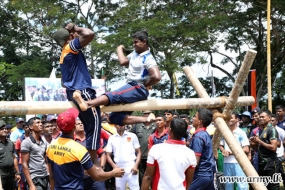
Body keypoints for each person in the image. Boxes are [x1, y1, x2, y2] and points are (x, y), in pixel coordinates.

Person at [73, 30, 160, 127]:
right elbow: (123, 62)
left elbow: (156, 77)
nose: (133, 44)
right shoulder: (135, 54)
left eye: (136, 42)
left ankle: (88, 104)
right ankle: (146, 119)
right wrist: (119, 49)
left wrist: (146, 84)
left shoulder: (148, 58)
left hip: (137, 88)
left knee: (115, 94)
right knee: (114, 118)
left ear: (144, 42)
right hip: (133, 89)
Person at [52, 22, 101, 164]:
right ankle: (94, 161)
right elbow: (90, 34)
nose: (77, 35)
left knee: (88, 126)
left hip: (72, 91)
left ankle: (91, 161)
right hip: (82, 90)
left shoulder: (63, 54)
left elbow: (63, 81)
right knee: (95, 124)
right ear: (70, 37)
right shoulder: (71, 46)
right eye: (74, 34)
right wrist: (75, 28)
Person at [46, 108, 125, 190]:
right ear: (74, 127)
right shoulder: (78, 149)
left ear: (58, 128)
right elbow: (96, 176)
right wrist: (113, 173)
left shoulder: (51, 147)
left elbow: (51, 176)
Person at [141, 118, 196, 190]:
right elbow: (189, 180)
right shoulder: (190, 154)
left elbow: (148, 176)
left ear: (170, 130)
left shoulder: (156, 149)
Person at [250, 110, 280, 190]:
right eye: (260, 117)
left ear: (269, 118)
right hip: (261, 162)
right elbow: (259, 146)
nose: (260, 118)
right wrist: (253, 143)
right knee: (263, 185)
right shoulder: (261, 130)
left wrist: (259, 141)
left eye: (263, 117)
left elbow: (273, 148)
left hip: (271, 162)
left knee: (273, 186)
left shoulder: (272, 130)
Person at [106, 124, 142, 190]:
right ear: (114, 125)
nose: (120, 125)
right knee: (120, 188)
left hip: (131, 166)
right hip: (118, 167)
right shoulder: (112, 138)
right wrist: (114, 166)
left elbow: (139, 152)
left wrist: (136, 166)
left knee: (135, 188)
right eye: (118, 124)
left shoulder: (132, 136)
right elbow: (108, 155)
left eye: (122, 124)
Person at [219, 113, 249, 190]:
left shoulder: (241, 133)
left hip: (238, 163)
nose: (230, 119)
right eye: (228, 117)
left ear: (237, 120)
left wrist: (231, 153)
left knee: (241, 186)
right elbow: (220, 145)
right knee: (228, 186)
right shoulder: (224, 132)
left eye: (231, 118)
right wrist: (223, 150)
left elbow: (246, 149)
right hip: (226, 162)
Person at [189, 108, 216, 190]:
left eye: (195, 117)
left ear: (200, 121)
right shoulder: (204, 134)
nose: (193, 118)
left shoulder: (198, 136)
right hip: (208, 174)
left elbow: (196, 161)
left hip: (200, 174)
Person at [129, 110, 156, 188]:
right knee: (142, 176)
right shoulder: (137, 126)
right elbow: (129, 136)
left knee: (153, 176)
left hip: (153, 156)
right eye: (144, 115)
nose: (146, 116)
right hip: (141, 156)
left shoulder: (156, 126)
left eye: (148, 115)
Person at [21, 117, 49, 190]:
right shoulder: (26, 142)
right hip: (34, 178)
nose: (41, 124)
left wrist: (49, 177)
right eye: (37, 123)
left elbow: (45, 161)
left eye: (41, 122)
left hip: (45, 177)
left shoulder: (44, 141)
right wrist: (31, 185)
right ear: (31, 127)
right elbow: (24, 164)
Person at [0, 120, 21, 190]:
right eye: (2, 129)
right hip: (1, 176)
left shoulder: (10, 143)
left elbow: (14, 157)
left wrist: (18, 172)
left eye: (5, 129)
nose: (5, 130)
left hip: (11, 174)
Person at [15, 122, 30, 190]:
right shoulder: (20, 140)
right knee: (23, 182)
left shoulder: (35, 137)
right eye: (26, 127)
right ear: (24, 128)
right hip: (22, 163)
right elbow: (17, 151)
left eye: (28, 127)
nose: (28, 129)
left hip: (32, 162)